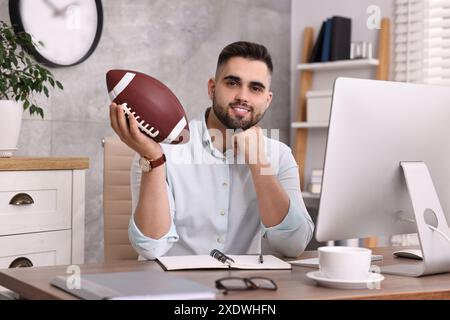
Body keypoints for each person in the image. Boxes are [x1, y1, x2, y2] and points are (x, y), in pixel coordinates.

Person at [109, 41, 314, 260]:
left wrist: (258, 163)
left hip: (242, 290)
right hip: (172, 288)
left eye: (255, 88)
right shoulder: (162, 150)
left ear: (267, 100)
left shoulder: (279, 155)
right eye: (233, 83)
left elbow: (293, 245)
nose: (243, 96)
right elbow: (151, 248)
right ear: (212, 88)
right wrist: (153, 159)